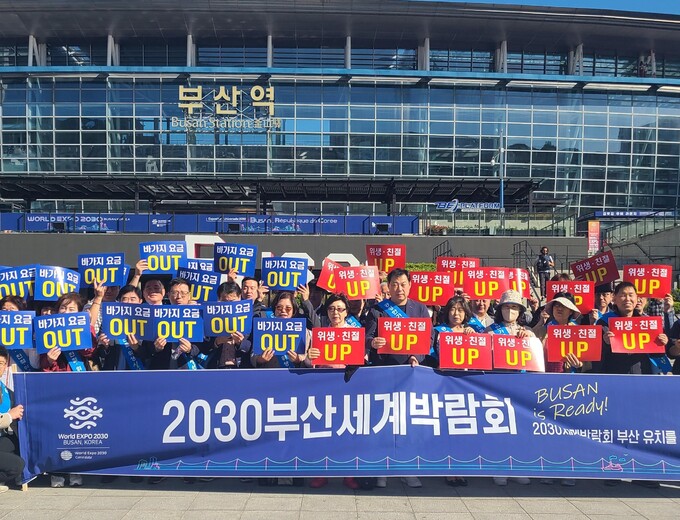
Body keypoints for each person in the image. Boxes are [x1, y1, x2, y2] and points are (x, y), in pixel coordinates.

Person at [364, 268, 431, 489]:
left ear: (409, 285)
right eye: (394, 284)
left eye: (403, 284)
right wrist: (373, 343)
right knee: (383, 422)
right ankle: (382, 470)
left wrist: (416, 356)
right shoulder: (378, 310)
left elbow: (428, 340)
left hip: (409, 373)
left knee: (407, 424)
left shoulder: (420, 309)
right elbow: (367, 337)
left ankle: (407, 469)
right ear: (388, 286)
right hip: (384, 372)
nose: (399, 288)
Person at [304, 293, 361, 491]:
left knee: (348, 431)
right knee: (323, 431)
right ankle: (322, 473)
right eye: (331, 309)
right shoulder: (319, 334)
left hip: (347, 387)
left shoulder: (355, 333)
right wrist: (309, 357)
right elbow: (309, 362)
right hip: (323, 387)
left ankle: (349, 474)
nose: (335, 313)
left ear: (346, 312)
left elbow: (362, 361)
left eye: (339, 309)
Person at [485, 290, 533, 486]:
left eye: (514, 307)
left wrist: (529, 337)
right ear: (500, 309)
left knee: (519, 428)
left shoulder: (526, 331)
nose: (510, 310)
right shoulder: (490, 331)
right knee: (500, 428)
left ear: (520, 311)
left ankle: (517, 466)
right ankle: (499, 467)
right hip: (498, 384)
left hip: (520, 384)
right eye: (506, 306)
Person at [0, 346, 25, 494]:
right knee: (17, 465)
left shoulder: (5, 390)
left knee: (17, 444)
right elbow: (9, 415)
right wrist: (10, 415)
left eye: (1, 363)